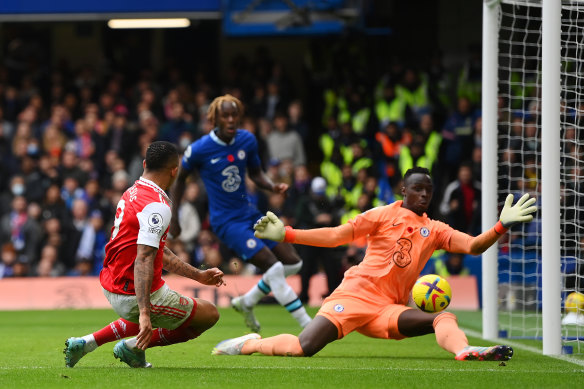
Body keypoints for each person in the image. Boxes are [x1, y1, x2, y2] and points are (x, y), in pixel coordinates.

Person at [211, 167, 537, 361]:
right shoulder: (382, 214)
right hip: (354, 294)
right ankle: (250, 344)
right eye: (417, 189)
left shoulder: (437, 230)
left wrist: (500, 226)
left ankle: (464, 351)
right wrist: (288, 233)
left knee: (442, 316)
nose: (424, 195)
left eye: (429, 190)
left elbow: (474, 246)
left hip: (387, 309)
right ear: (404, 190)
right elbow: (338, 235)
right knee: (302, 348)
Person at [63, 141, 225, 368]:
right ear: (174, 171)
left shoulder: (132, 192)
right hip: (132, 291)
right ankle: (133, 347)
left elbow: (157, 252)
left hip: (111, 280)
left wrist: (198, 276)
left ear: (144, 164)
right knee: (209, 314)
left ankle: (87, 343)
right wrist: (144, 313)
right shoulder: (158, 205)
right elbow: (144, 258)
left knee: (157, 314)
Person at [169, 94, 312, 333]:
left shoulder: (247, 140)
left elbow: (256, 172)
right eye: (225, 115)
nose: (231, 119)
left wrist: (271, 185)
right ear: (214, 118)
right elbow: (180, 180)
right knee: (274, 268)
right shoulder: (200, 149)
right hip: (226, 222)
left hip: (249, 213)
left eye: (235, 114)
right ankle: (307, 324)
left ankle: (247, 301)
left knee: (294, 262)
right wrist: (174, 219)